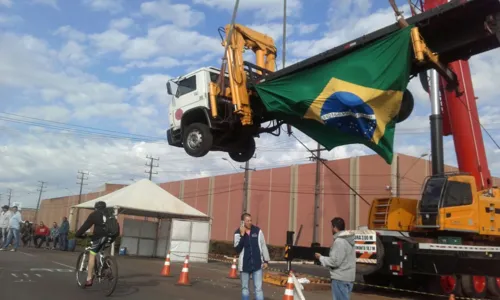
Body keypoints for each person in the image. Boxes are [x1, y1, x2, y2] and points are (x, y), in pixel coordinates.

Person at [75, 201, 116, 287]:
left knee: (92, 254)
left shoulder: (94, 214)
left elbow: (85, 226)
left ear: (96, 208)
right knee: (103, 251)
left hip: (99, 237)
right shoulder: (110, 214)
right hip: (111, 237)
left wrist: (78, 234)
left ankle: (89, 279)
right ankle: (105, 267)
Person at [315, 217, 356, 300]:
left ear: (334, 227)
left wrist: (321, 258)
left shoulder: (339, 241)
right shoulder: (349, 240)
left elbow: (335, 262)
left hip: (340, 278)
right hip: (349, 278)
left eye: (331, 227)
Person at [233, 212, 270, 300]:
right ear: (243, 222)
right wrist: (242, 235)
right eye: (247, 221)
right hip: (245, 265)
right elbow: (237, 249)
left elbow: (263, 245)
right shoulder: (237, 233)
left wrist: (266, 260)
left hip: (257, 265)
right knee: (245, 288)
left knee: (258, 289)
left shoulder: (257, 231)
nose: (250, 222)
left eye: (250, 220)